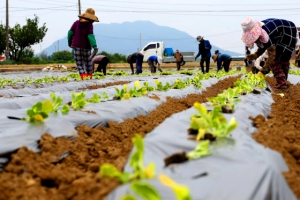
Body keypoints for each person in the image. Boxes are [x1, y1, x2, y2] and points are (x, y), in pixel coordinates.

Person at [241, 17, 297, 89]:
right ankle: (283, 81)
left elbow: (272, 54)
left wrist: (265, 68)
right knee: (282, 59)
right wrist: (256, 54)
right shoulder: (261, 31)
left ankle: (282, 83)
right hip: (282, 32)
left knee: (276, 61)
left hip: (288, 32)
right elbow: (264, 45)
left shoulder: (267, 33)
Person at [68, 8, 99, 80]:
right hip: (86, 48)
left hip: (77, 47)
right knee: (88, 63)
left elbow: (70, 33)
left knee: (80, 64)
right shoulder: (89, 25)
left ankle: (83, 78)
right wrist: (95, 46)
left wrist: (70, 43)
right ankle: (89, 79)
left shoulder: (76, 23)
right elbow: (90, 36)